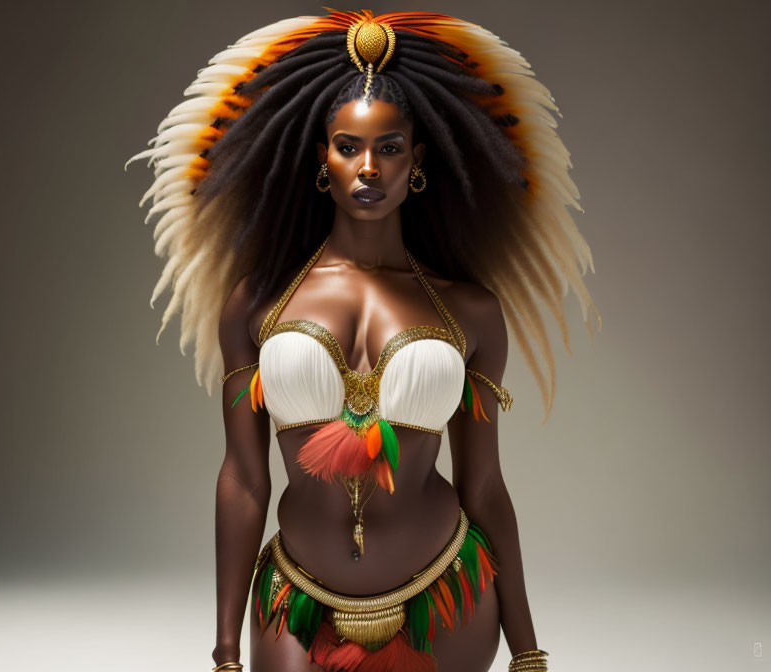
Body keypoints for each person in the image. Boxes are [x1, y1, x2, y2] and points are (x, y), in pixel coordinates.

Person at [128, 9, 600, 672]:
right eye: (348, 146)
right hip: (299, 600)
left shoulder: (471, 311)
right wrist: (225, 649)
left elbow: (484, 482)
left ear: (418, 158)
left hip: (447, 597)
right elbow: (242, 477)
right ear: (323, 158)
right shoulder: (258, 305)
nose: (369, 167)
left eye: (390, 147)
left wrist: (527, 647)